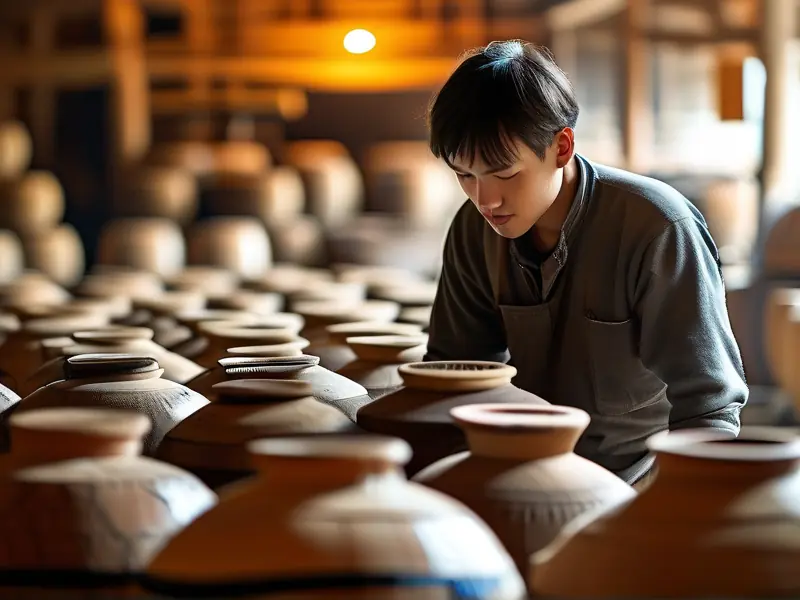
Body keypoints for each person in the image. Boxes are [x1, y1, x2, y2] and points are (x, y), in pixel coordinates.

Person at [423, 39, 748, 487]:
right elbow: (454, 376)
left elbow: (710, 408)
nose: (486, 200)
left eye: (505, 174)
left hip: (634, 483)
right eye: (465, 175)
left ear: (561, 146)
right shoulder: (472, 228)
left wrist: (677, 512)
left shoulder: (656, 227)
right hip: (519, 474)